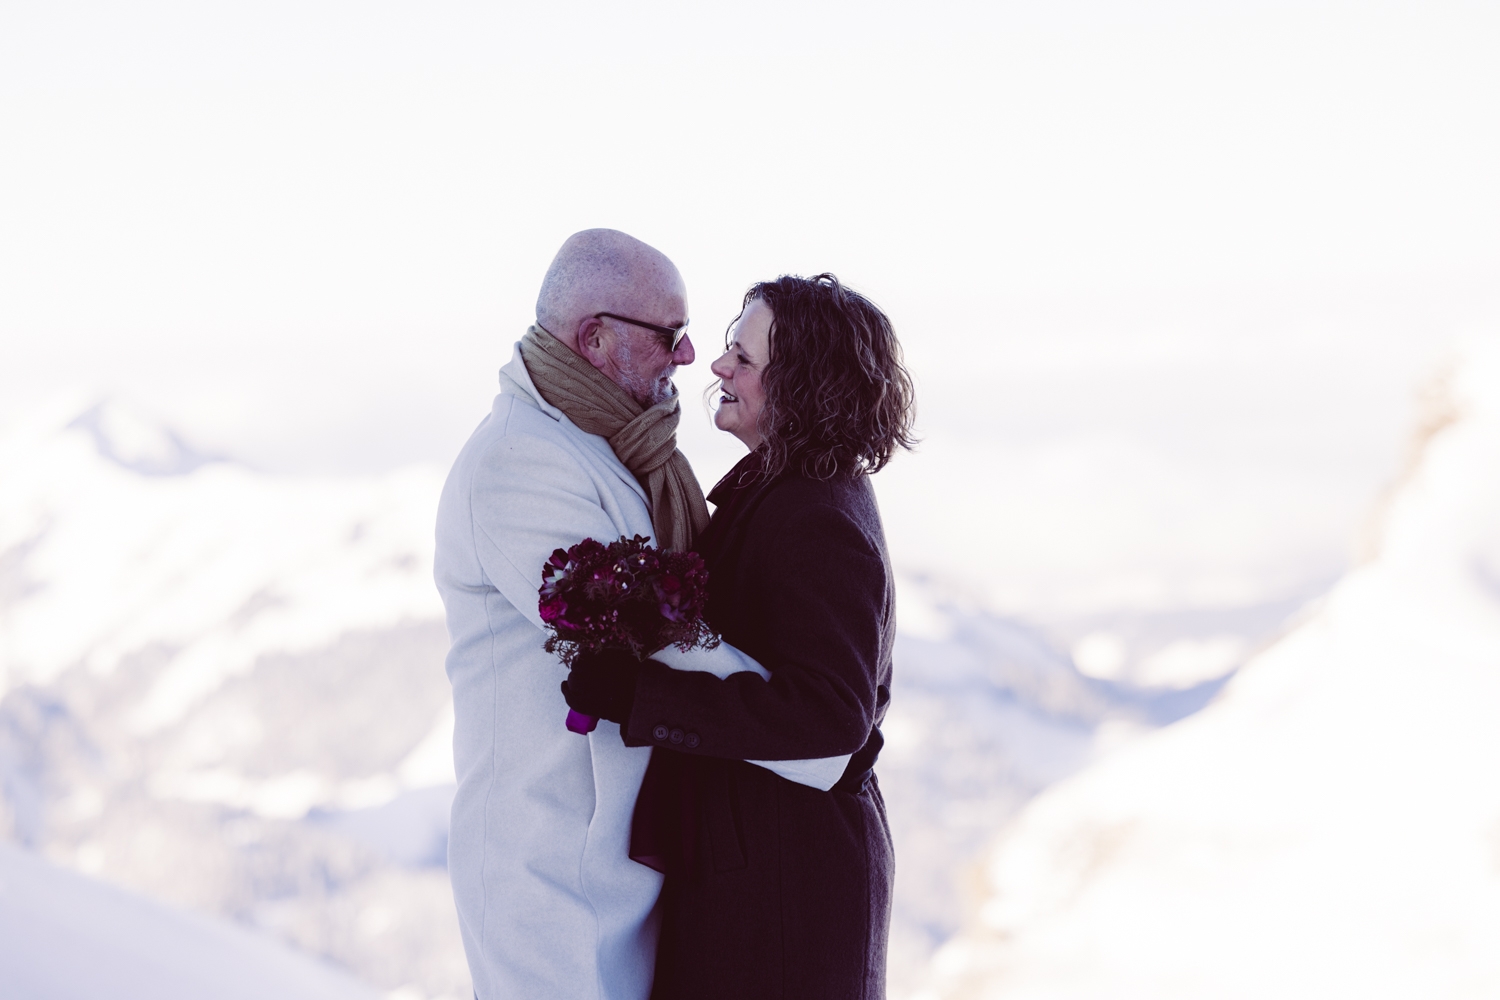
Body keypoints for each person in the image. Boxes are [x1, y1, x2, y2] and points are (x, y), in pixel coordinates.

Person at [434, 231, 842, 1000]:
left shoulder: (613, 449)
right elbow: (643, 630)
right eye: (670, 335)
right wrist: (810, 735)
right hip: (548, 874)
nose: (690, 357)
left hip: (627, 868)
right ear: (594, 338)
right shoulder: (518, 465)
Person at [563, 274, 916, 1000]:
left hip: (788, 895)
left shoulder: (816, 515)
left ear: (803, 385)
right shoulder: (790, 489)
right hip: (764, 872)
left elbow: (828, 717)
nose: (718, 367)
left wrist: (642, 696)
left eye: (743, 358)